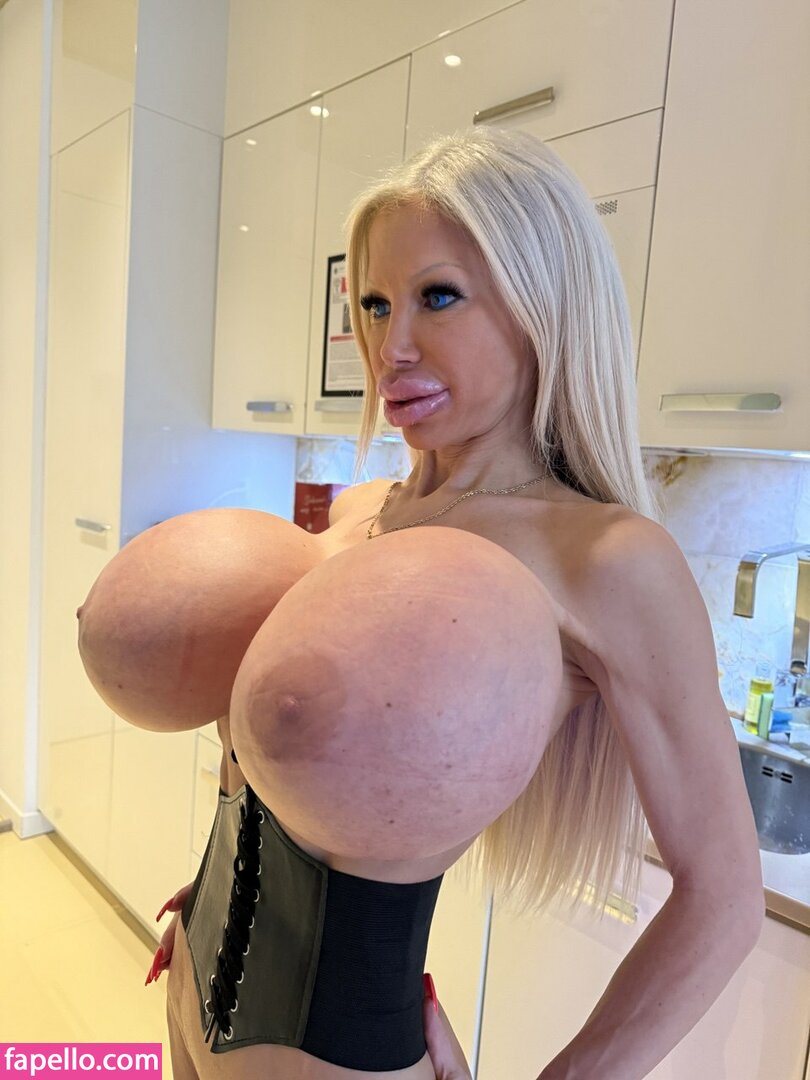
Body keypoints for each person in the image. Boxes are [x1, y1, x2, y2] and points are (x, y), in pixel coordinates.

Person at [77, 127, 764, 1080]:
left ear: (542, 307)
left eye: (438, 296)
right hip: (190, 985)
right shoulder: (361, 512)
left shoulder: (606, 558)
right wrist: (217, 893)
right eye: (375, 303)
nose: (391, 347)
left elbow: (724, 897)